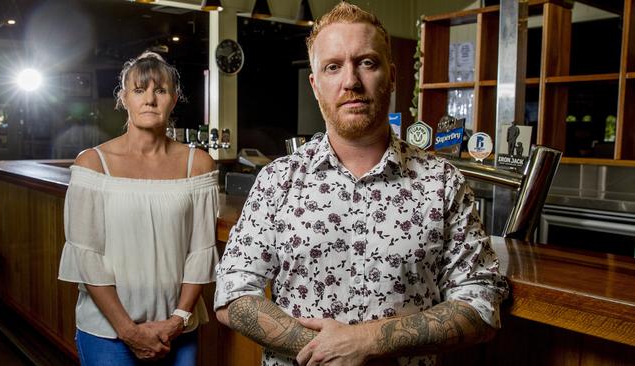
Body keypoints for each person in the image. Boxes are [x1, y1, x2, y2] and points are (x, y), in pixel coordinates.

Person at [214, 3, 508, 366]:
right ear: (315, 83)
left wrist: (369, 341)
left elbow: (481, 303)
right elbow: (233, 294)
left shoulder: (442, 182)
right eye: (333, 67)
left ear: (393, 75)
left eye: (367, 62)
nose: (350, 81)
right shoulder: (278, 180)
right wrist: (325, 351)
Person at [58, 51, 219, 365]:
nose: (150, 99)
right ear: (123, 99)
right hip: (107, 331)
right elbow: (87, 257)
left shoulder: (197, 164)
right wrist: (128, 330)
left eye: (160, 90)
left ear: (174, 99)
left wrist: (177, 320)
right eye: (139, 90)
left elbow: (200, 252)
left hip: (177, 329)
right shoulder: (92, 163)